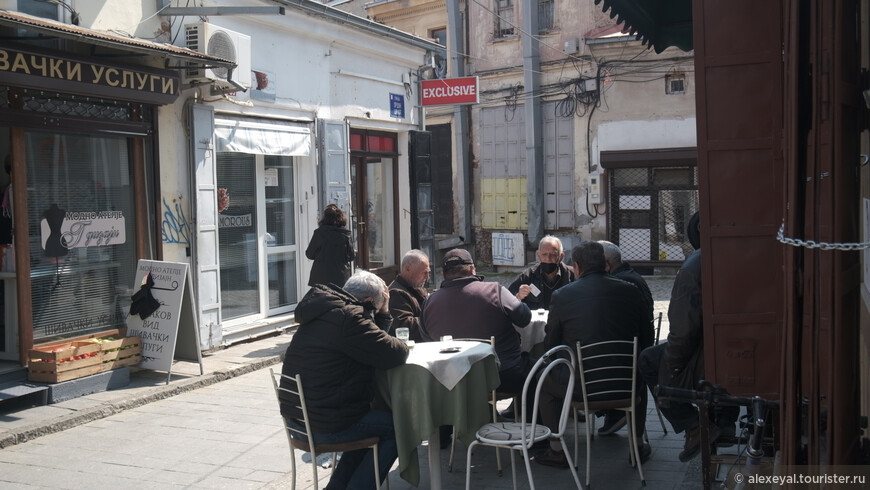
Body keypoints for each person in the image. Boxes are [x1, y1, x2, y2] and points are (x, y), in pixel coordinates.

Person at [279, 270, 409, 490]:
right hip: (324, 423)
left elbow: (373, 347)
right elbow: (394, 353)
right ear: (368, 301)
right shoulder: (350, 318)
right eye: (376, 307)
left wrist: (380, 313)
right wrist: (385, 312)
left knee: (370, 423)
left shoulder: (324, 308)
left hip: (298, 419)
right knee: (401, 427)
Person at [534, 241, 652, 468]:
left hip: (580, 387)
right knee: (640, 374)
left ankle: (556, 449)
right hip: (625, 384)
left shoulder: (562, 296)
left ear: (576, 267)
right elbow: (646, 339)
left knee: (544, 379)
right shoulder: (631, 290)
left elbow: (552, 346)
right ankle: (637, 444)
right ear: (606, 265)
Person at [638, 211, 738, 462]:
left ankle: (693, 425)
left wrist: (673, 367)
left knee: (650, 360)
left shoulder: (695, 265)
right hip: (731, 349)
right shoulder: (738, 253)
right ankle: (725, 421)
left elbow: (684, 329)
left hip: (710, 356)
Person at [421, 248, 532, 394]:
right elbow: (524, 318)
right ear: (472, 269)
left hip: (453, 383)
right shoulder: (495, 291)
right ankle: (528, 415)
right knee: (541, 371)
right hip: (502, 376)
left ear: (443, 274)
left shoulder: (429, 302)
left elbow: (427, 340)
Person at [596, 240, 655, 436]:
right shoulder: (629, 276)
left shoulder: (621, 284)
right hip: (639, 347)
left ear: (606, 264)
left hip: (631, 354)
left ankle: (613, 409)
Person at [508, 235, 574, 310]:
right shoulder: (527, 276)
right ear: (538, 255)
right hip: (536, 321)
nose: (548, 258)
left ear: (561, 256)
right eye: (544, 254)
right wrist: (518, 296)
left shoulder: (572, 275)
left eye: (553, 255)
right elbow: (507, 301)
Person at [306, 204, 355, 287]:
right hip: (341, 277)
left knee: (322, 299)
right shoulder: (346, 235)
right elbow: (351, 256)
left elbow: (309, 254)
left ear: (324, 218)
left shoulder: (319, 233)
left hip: (320, 277)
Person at [387, 249, 430, 341]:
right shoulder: (395, 293)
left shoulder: (415, 287)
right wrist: (433, 318)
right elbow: (405, 327)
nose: (427, 277)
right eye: (424, 272)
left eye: (428, 273)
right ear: (407, 268)